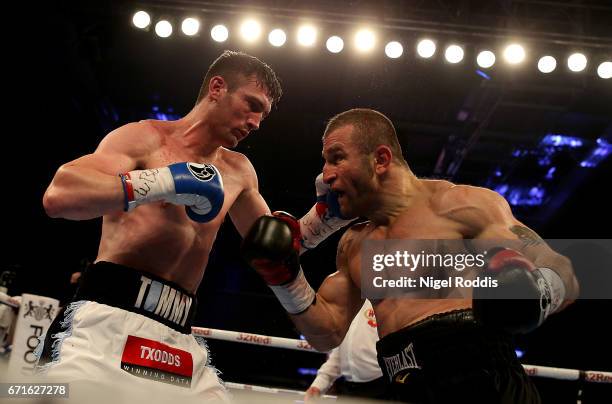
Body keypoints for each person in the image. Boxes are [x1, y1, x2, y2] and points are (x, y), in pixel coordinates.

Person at [39, 51, 351, 401]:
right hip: (106, 321)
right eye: (251, 105)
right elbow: (60, 196)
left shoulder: (239, 171)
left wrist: (324, 219)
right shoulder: (144, 139)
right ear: (217, 88)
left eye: (262, 114)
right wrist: (163, 182)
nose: (256, 123)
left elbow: (274, 246)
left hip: (177, 336)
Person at [242, 108, 580, 403]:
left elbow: (561, 268)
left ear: (381, 159)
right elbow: (325, 334)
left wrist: (537, 292)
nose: (326, 175)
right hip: (405, 385)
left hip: (483, 379)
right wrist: (285, 278)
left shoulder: (458, 206)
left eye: (336, 158)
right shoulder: (354, 244)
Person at [305, 299, 386, 402]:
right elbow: (339, 355)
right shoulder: (347, 305)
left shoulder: (386, 303)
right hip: (348, 389)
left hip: (380, 388)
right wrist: (318, 385)